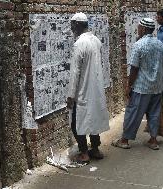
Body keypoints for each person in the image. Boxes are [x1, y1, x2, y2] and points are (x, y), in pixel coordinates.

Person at [112, 18, 163, 150]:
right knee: (154, 113)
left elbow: (134, 68)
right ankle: (153, 141)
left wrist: (129, 86)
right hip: (157, 87)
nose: (137, 29)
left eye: (138, 27)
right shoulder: (160, 44)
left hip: (142, 87)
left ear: (142, 28)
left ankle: (124, 140)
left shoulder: (139, 45)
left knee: (133, 112)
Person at [67, 12, 110, 163]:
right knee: (93, 119)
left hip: (83, 90)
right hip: (95, 89)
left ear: (78, 25)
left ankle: (84, 152)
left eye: (73, 25)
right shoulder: (96, 41)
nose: (72, 29)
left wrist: (71, 95)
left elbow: (75, 72)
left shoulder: (79, 44)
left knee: (76, 123)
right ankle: (96, 149)